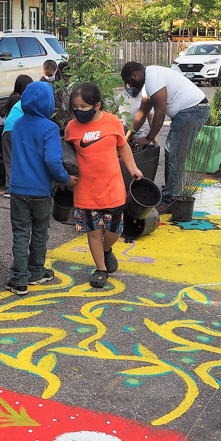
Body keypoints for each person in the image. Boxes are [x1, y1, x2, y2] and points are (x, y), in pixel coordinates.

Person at [65, 82, 143, 288]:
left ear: (97, 105)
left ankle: (107, 249)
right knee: (93, 231)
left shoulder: (112, 122)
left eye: (83, 107)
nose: (79, 111)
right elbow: (66, 156)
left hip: (112, 187)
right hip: (85, 190)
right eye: (76, 107)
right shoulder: (71, 127)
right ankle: (100, 268)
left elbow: (123, 146)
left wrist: (133, 168)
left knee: (115, 230)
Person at [6, 81, 77, 295]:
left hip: (17, 189)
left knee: (20, 233)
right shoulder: (49, 127)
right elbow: (53, 161)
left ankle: (19, 279)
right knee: (39, 232)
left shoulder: (18, 124)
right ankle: (36, 271)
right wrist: (65, 179)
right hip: (41, 191)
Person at [120, 62, 209, 214]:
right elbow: (142, 113)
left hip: (192, 110)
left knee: (176, 155)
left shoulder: (153, 78)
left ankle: (170, 201)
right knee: (172, 152)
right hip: (189, 111)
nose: (130, 86)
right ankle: (170, 192)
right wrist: (127, 137)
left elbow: (160, 113)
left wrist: (149, 138)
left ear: (134, 75)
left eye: (129, 82)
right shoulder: (150, 81)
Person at [1, 75, 34, 195]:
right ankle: (15, 187)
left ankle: (11, 187)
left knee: (9, 159)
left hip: (9, 129)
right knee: (20, 158)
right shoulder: (31, 101)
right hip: (18, 129)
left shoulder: (17, 99)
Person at [39, 59, 68, 127]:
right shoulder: (42, 81)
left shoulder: (60, 80)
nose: (48, 77)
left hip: (59, 108)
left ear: (55, 71)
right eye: (46, 75)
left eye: (50, 75)